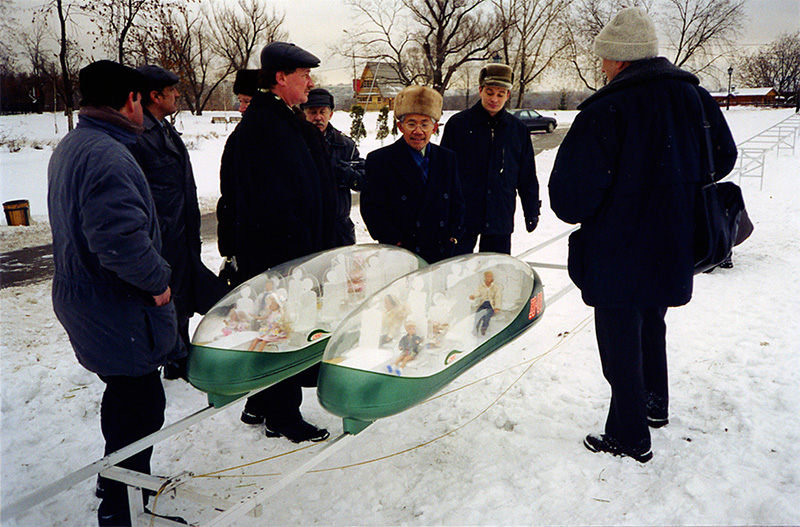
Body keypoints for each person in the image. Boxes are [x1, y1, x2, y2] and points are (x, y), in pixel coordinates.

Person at [548, 7, 737, 463]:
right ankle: (655, 404)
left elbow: (570, 198)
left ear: (620, 59)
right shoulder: (696, 98)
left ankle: (629, 435)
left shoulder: (606, 108)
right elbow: (724, 157)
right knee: (652, 320)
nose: (602, 68)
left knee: (619, 338)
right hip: (674, 239)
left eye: (605, 60)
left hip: (618, 246)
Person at [47, 60, 182, 526]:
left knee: (126, 398)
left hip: (88, 298)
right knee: (142, 409)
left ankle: (114, 480)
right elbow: (119, 242)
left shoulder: (76, 143)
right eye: (142, 100)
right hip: (115, 305)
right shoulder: (107, 154)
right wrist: (159, 283)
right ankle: (120, 510)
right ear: (131, 100)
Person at [218, 42, 337, 443]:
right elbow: (271, 204)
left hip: (293, 255)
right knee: (280, 332)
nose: (311, 82)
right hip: (281, 259)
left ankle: (267, 404)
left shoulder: (284, 121)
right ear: (281, 78)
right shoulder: (262, 127)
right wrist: (305, 253)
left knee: (285, 331)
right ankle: (282, 416)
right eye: (304, 74)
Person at [129, 65, 228, 381]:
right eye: (171, 90)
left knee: (183, 294)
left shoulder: (163, 129)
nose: (177, 95)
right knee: (167, 298)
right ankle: (172, 357)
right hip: (163, 237)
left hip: (181, 233)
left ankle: (179, 353)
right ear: (154, 96)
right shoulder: (139, 135)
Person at [440, 63, 540, 255]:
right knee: (458, 272)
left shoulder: (517, 130)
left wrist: (532, 209)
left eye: (500, 94)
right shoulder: (459, 125)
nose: (494, 99)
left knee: (494, 276)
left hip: (499, 215)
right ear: (480, 90)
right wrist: (444, 212)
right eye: (489, 92)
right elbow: (444, 173)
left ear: (508, 95)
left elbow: (526, 175)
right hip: (463, 216)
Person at [361, 85, 465, 264]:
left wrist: (453, 236)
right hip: (401, 255)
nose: (418, 131)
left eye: (425, 124)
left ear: (434, 128)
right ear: (400, 127)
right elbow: (372, 210)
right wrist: (394, 241)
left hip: (440, 254)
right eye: (411, 124)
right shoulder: (380, 160)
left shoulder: (447, 158)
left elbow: (457, 203)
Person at [301, 88, 365, 245]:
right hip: (307, 229)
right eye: (312, 112)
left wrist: (350, 175)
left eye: (322, 112)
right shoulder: (296, 144)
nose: (318, 117)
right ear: (304, 113)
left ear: (330, 114)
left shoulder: (345, 145)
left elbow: (366, 180)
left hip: (339, 230)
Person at [217, 69, 260, 285]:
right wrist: (228, 248)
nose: (242, 108)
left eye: (248, 102)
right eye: (240, 101)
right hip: (246, 243)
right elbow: (229, 195)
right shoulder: (238, 138)